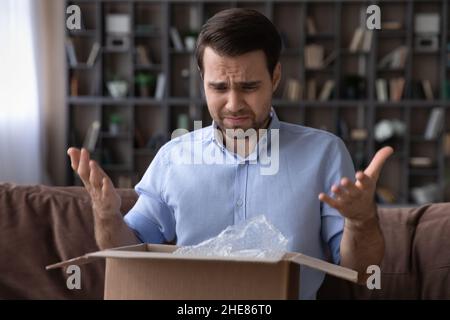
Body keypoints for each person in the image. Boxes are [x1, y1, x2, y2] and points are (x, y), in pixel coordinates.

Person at [67, 8, 393, 299]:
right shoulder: (173, 158)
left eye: (249, 87)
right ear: (202, 81)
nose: (234, 104)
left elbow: (361, 272)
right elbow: (128, 254)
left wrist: (361, 219)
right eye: (219, 87)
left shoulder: (325, 153)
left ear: (275, 77)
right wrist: (106, 217)